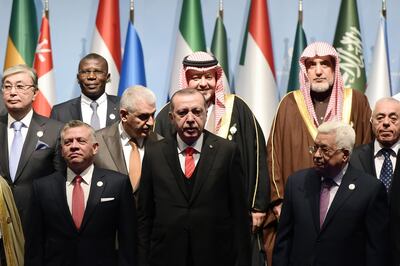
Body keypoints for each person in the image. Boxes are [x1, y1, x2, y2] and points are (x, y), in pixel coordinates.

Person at [266, 41, 372, 262]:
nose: (318, 70)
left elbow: (366, 151)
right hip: (299, 206)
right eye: (312, 65)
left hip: (346, 206)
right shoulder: (289, 103)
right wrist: (279, 202)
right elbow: (273, 154)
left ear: (335, 68)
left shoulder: (357, 101)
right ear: (305, 70)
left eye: (325, 64)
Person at [155, 51, 269, 233]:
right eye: (195, 78)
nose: (203, 83)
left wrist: (258, 205)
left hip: (228, 214)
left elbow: (257, 157)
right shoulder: (166, 115)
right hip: (179, 216)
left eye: (209, 77)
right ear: (186, 79)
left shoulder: (237, 109)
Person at [137, 88, 251, 266]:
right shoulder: (154, 153)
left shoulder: (227, 151)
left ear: (206, 113)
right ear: (171, 117)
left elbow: (240, 215)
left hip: (216, 256)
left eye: (197, 112)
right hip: (166, 256)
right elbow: (145, 215)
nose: (190, 119)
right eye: (182, 113)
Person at [272, 121, 389, 266]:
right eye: (315, 148)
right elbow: (283, 241)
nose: (316, 155)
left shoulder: (370, 189)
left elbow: (376, 250)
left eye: (324, 150)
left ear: (345, 155)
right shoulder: (296, 183)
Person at [25, 120, 136, 266]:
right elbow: (34, 244)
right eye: (68, 142)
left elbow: (128, 240)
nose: (74, 146)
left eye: (81, 141)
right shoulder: (42, 187)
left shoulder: (117, 184)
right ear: (62, 150)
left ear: (95, 148)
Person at [0, 64, 64, 235]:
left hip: (38, 224)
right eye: (7, 86)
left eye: (20, 86)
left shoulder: (55, 130)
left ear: (35, 93)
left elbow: (60, 181)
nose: (13, 92)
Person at [350, 97, 400, 265]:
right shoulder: (353, 158)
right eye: (380, 118)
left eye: (393, 118)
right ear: (371, 122)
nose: (386, 123)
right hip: (362, 253)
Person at [94, 85, 162, 197]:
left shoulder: (161, 144)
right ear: (124, 115)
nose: (151, 122)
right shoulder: (97, 141)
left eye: (153, 115)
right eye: (143, 116)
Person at [50, 53, 119, 129]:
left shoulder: (123, 106)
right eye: (85, 72)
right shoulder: (60, 112)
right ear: (78, 78)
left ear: (107, 77)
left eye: (97, 71)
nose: (91, 76)